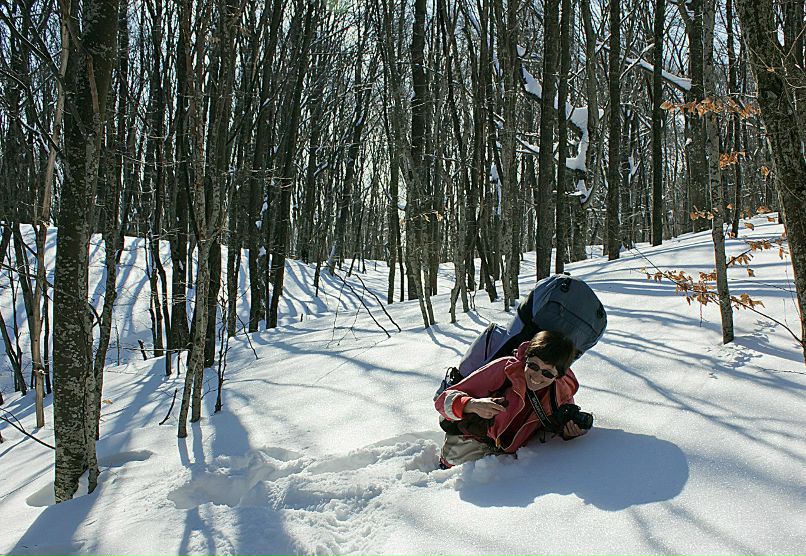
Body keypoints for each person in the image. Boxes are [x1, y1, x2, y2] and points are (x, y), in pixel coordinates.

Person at [434, 330, 588, 468]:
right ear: (526, 358)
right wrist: (471, 404)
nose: (537, 376)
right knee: (448, 480)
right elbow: (443, 400)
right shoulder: (505, 370)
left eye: (547, 373)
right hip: (470, 442)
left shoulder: (561, 392)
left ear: (558, 376)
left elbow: (556, 426)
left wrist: (569, 433)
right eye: (533, 366)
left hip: (506, 456)